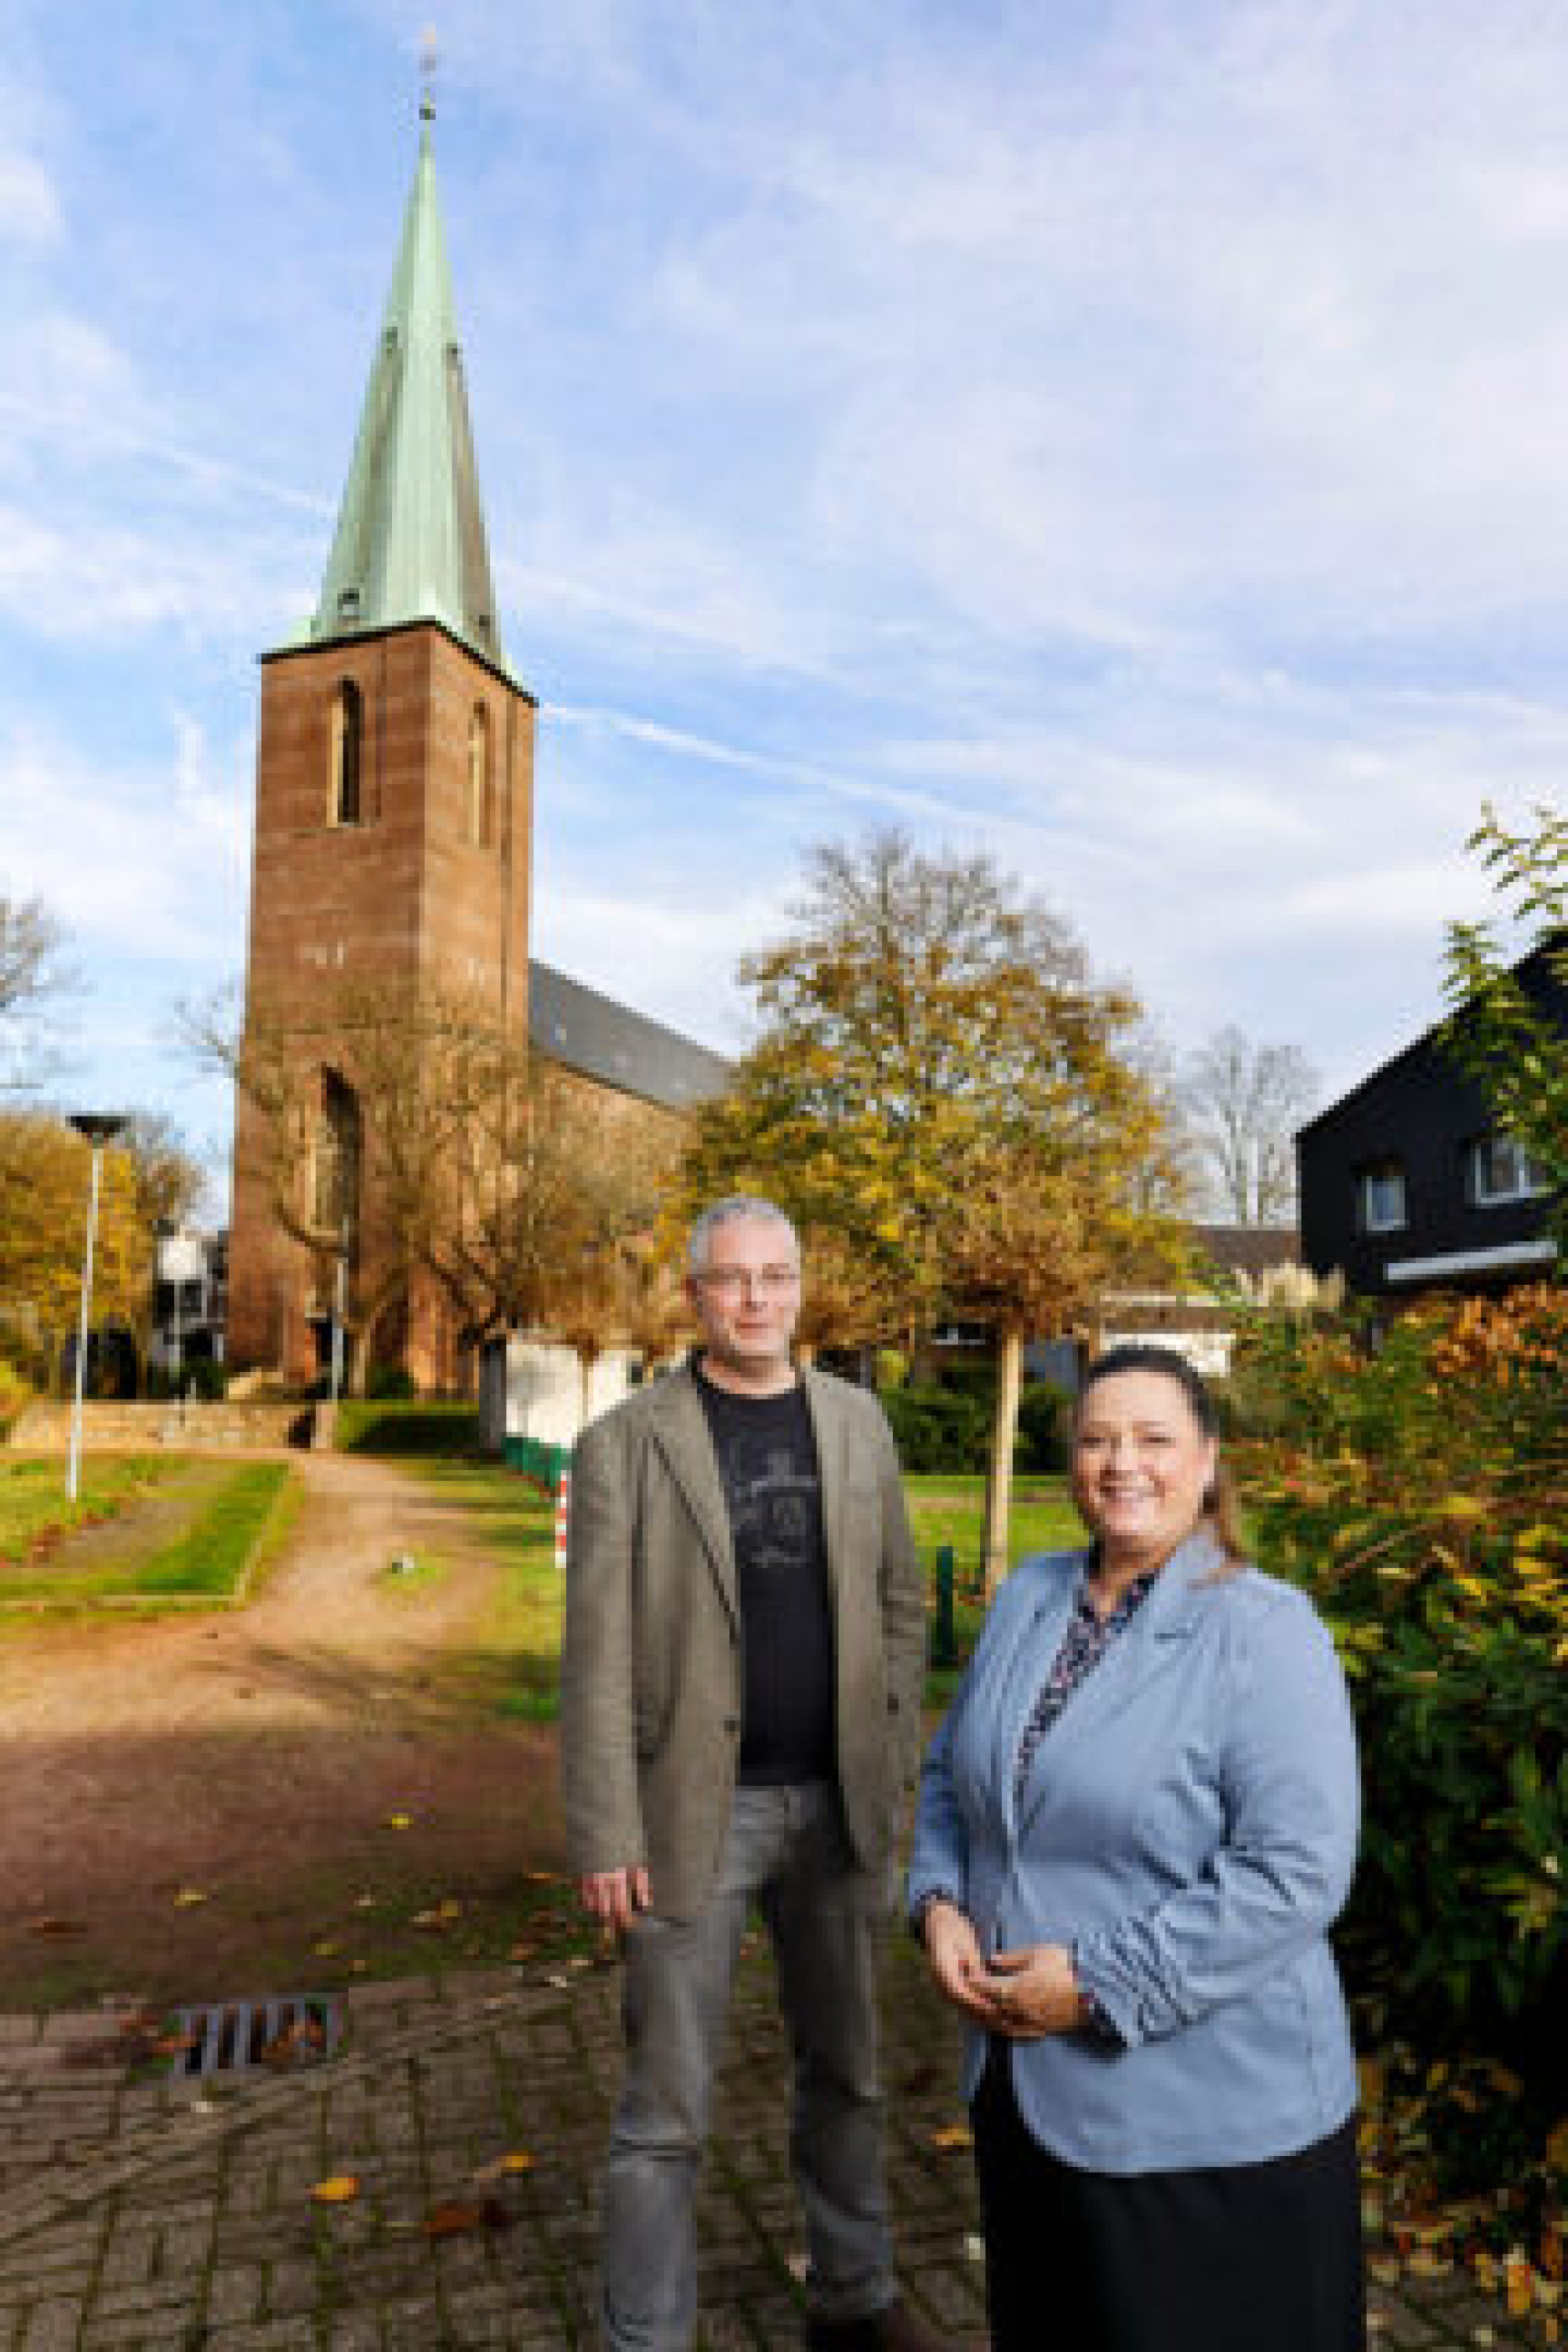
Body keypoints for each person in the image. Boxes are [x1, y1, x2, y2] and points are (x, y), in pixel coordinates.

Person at [561, 1196, 963, 2352]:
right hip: (693, 1815)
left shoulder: (857, 1425)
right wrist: (605, 1832)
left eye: (775, 1278)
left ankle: (854, 2296)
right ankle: (645, 2337)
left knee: (850, 2074)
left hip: (838, 1810)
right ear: (694, 1295)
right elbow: (595, 1656)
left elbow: (897, 1602)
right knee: (666, 2110)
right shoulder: (627, 1445)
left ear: (801, 1286)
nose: (755, 1300)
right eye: (731, 1280)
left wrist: (887, 1763)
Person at [909, 1341, 1365, 2352]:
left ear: (1206, 1462)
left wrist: (1100, 1982)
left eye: (1153, 1439)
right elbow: (953, 1779)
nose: (1122, 1463)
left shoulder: (1266, 1631)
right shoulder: (1029, 1597)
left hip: (1204, 2127)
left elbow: (1296, 1874)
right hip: (1023, 2101)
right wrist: (937, 1902)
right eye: (1097, 1439)